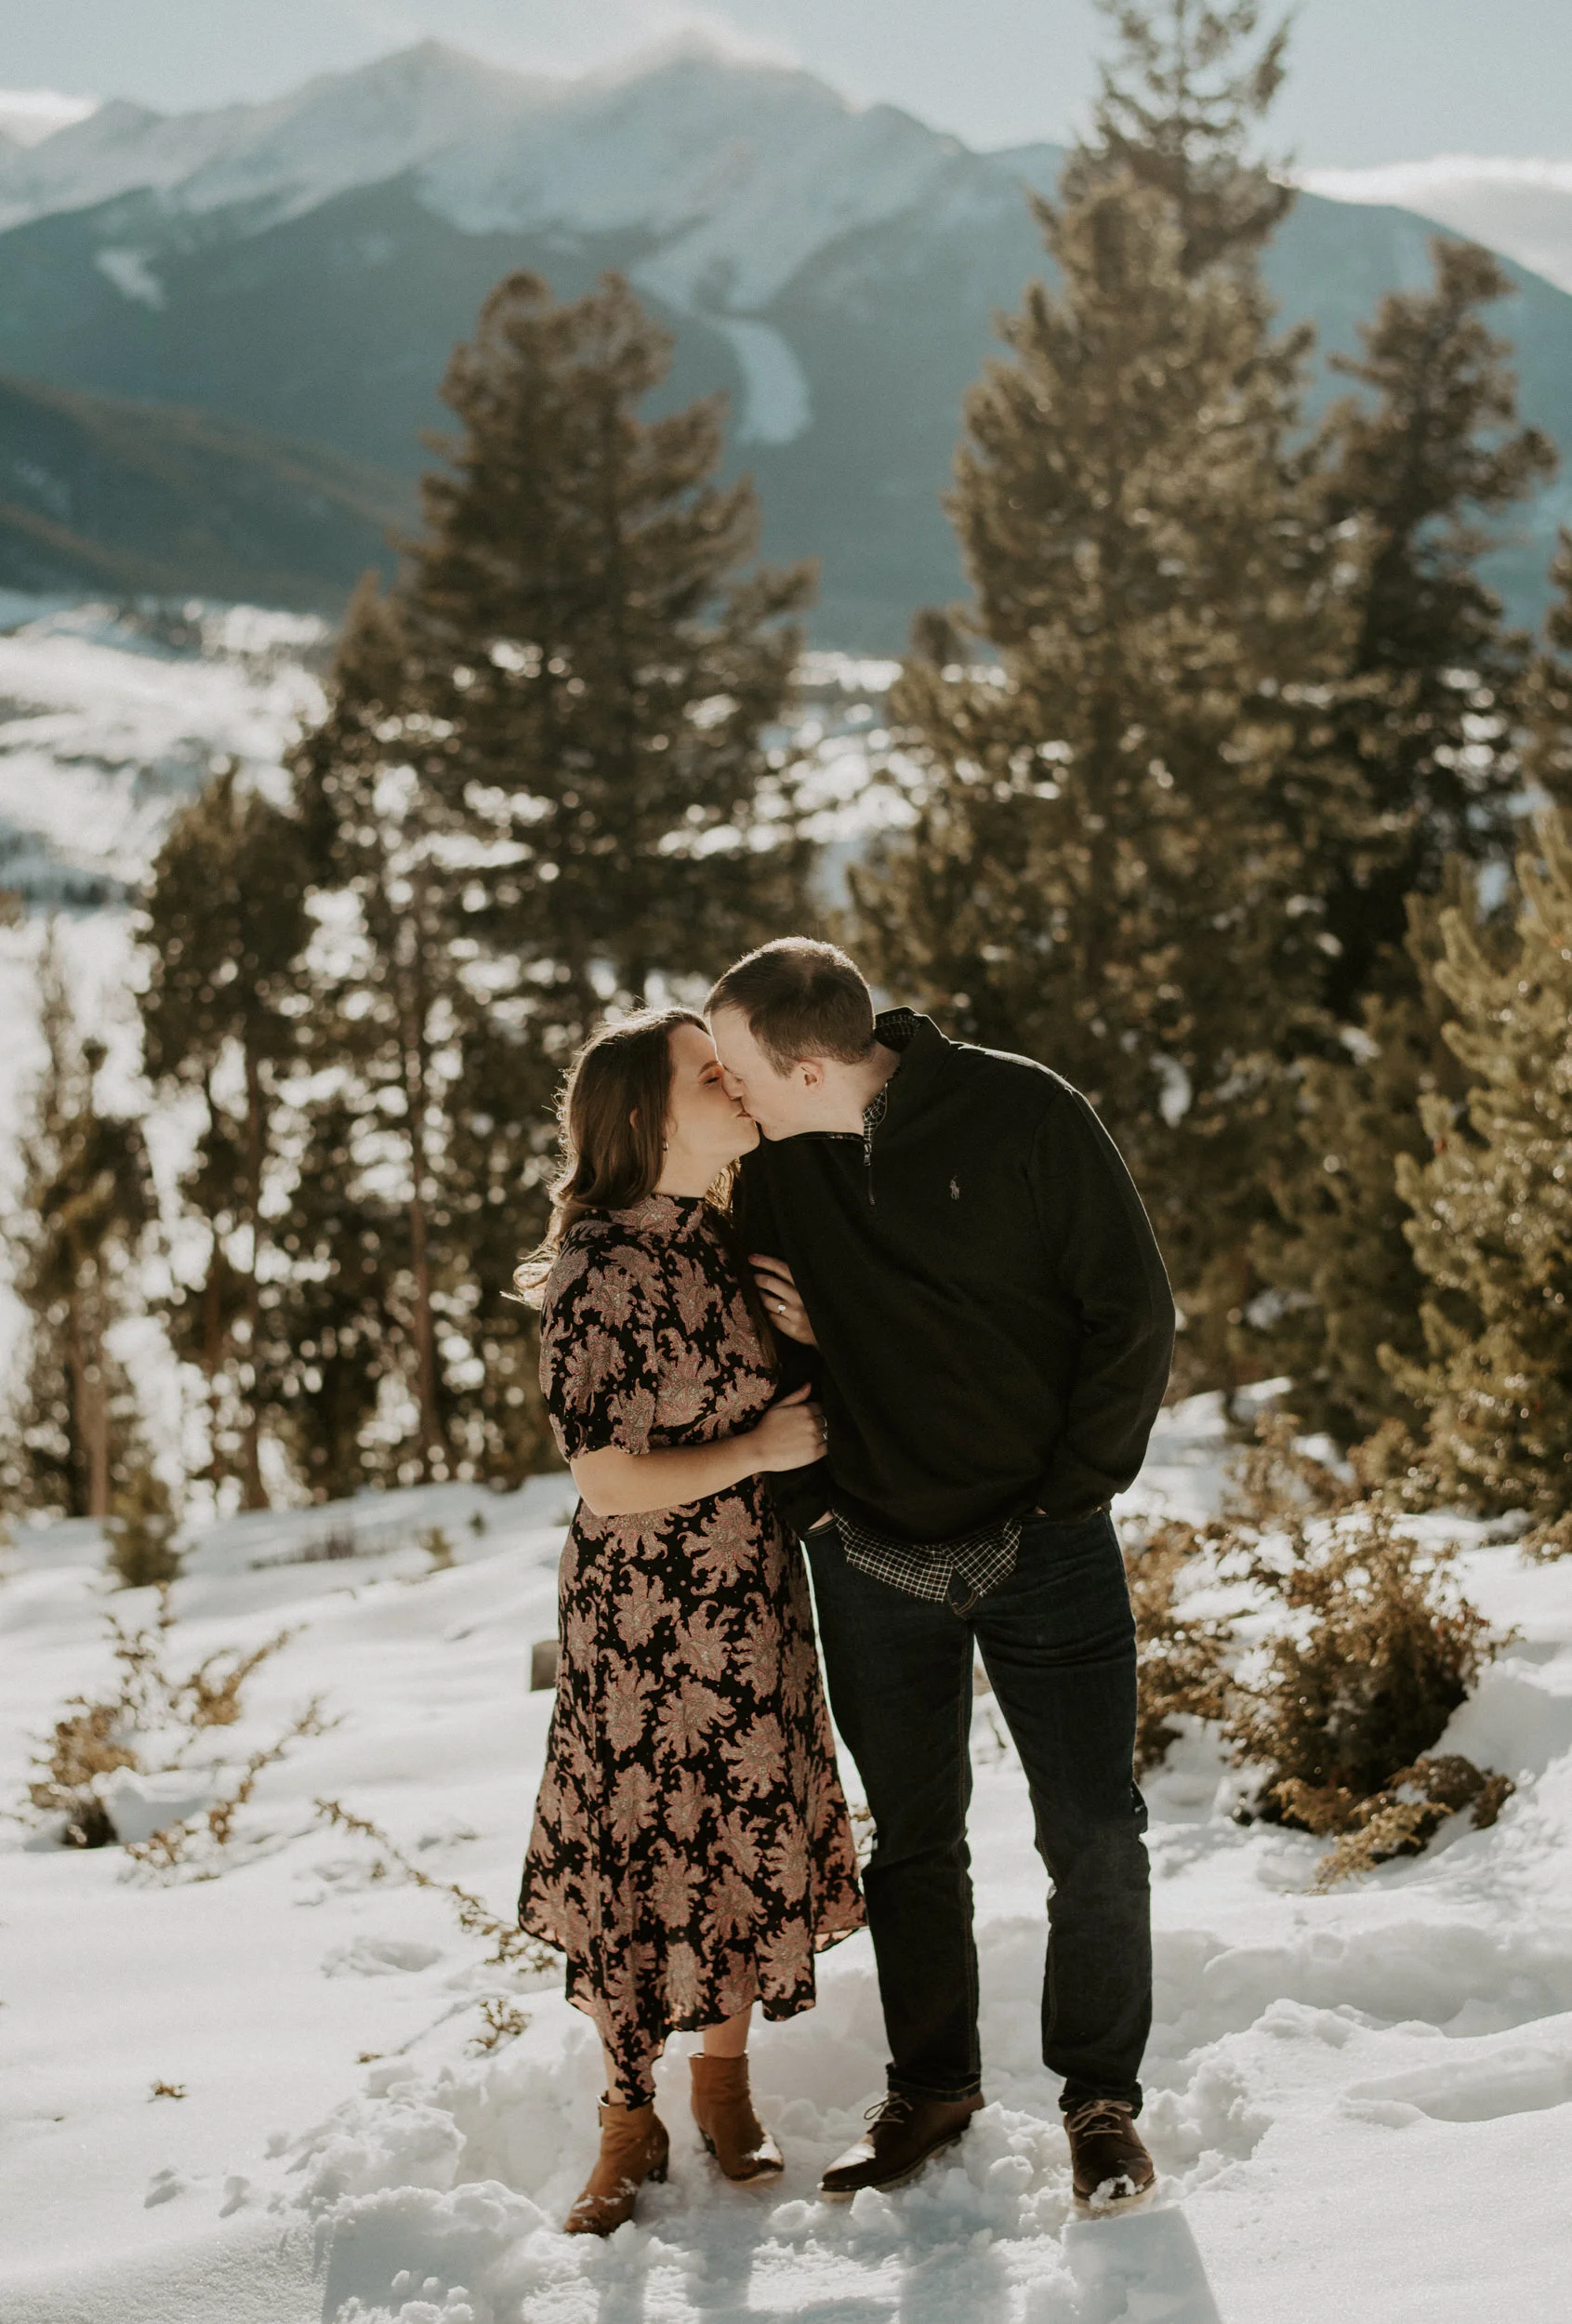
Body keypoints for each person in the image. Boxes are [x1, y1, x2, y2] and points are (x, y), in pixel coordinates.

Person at [707, 939, 1175, 2214]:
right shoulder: (770, 1170)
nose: (725, 1088)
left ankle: (1099, 2103)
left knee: (1091, 1832)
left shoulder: (1025, 1110)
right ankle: (933, 2087)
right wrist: (816, 1511)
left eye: (738, 1064)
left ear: (805, 1063)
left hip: (1047, 1548)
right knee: (914, 1841)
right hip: (864, 1555)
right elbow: (752, 1347)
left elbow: (1128, 1312)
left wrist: (1066, 1495)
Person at [513, 1007, 865, 2237]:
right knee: (632, 1853)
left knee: (733, 1834)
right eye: (709, 1076)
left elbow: (800, 1400)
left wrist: (811, 1335)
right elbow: (602, 1477)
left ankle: (723, 2083)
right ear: (648, 1116)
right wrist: (758, 1445)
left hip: (749, 1599)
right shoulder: (595, 1269)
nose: (735, 1086)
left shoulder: (727, 1240)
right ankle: (627, 2115)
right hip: (638, 1622)